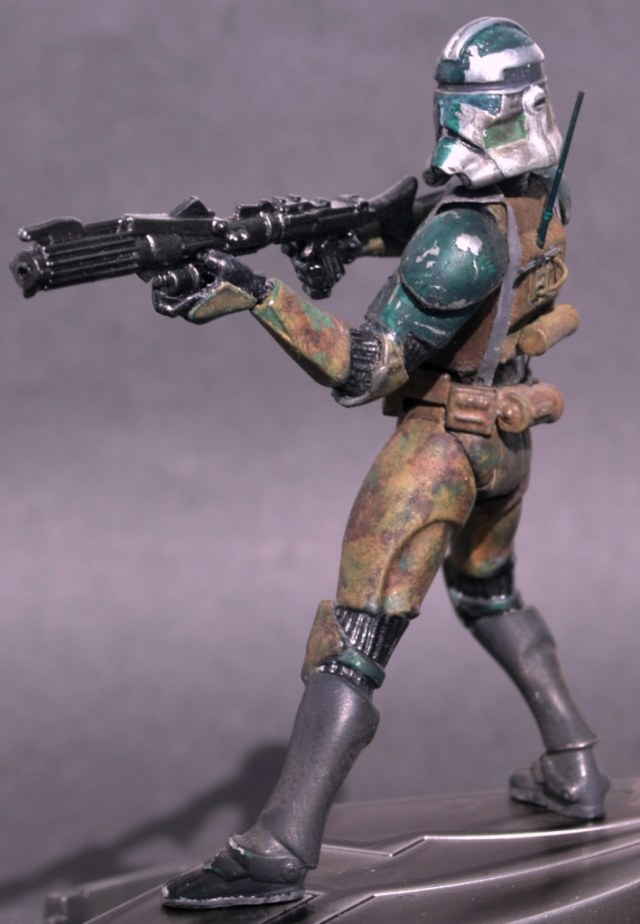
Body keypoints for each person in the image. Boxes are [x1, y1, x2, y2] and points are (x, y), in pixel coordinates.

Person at [156, 17, 609, 910]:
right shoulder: (545, 197)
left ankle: (280, 849)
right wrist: (347, 231)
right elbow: (431, 224)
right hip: (507, 442)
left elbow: (362, 370)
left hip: (438, 450)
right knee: (489, 596)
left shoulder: (461, 241)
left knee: (354, 643)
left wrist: (258, 294)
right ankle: (575, 763)